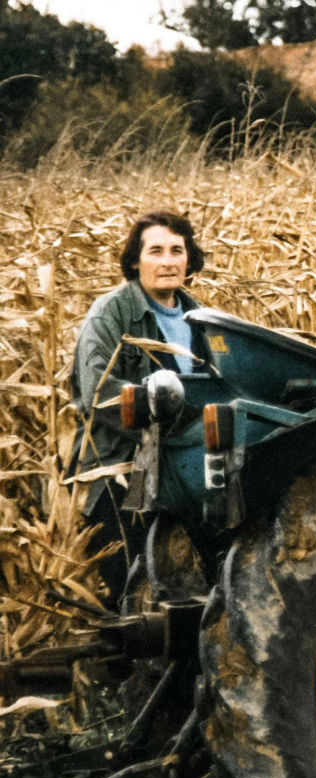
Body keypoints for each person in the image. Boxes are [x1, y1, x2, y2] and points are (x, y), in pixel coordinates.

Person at [68, 210, 208, 606]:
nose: (168, 261)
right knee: (131, 592)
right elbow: (97, 393)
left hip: (183, 472)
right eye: (156, 251)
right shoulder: (110, 313)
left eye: (177, 250)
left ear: (189, 259)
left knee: (184, 590)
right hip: (123, 473)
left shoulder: (200, 317)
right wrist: (173, 425)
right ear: (135, 260)